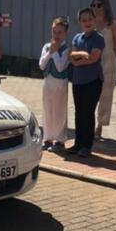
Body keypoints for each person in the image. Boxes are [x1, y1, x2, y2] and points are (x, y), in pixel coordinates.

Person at [67, 7, 105, 159]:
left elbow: (94, 58)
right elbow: (71, 57)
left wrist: (79, 60)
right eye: (84, 20)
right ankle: (78, 143)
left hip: (93, 81)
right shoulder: (77, 37)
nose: (87, 22)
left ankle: (86, 146)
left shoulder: (98, 38)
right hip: (78, 81)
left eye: (89, 19)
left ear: (94, 20)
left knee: (88, 113)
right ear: (79, 22)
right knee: (78, 112)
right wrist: (82, 54)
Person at [91, 0, 116, 140]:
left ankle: (100, 125)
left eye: (99, 5)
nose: (96, 8)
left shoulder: (112, 24)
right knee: (91, 94)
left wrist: (115, 61)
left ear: (105, 6)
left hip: (108, 61)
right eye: (94, 5)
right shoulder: (90, 23)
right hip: (93, 61)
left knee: (105, 95)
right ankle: (89, 123)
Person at [39, 17, 70, 152]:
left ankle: (59, 139)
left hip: (60, 84)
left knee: (59, 111)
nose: (56, 35)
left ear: (65, 34)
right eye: (54, 32)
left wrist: (56, 52)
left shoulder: (67, 48)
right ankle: (48, 137)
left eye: (59, 32)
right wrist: (50, 52)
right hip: (48, 82)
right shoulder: (47, 46)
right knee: (48, 109)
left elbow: (60, 66)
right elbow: (41, 65)